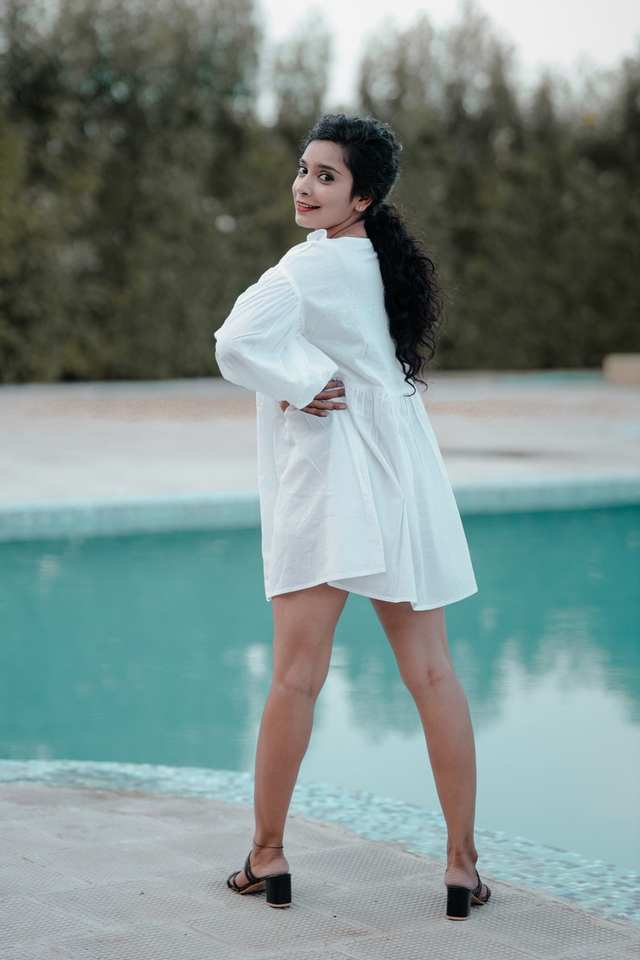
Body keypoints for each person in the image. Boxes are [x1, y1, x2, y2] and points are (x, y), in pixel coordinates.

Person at [213, 113, 491, 919]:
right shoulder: (380, 262)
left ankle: (267, 855)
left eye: (326, 176)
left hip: (332, 486)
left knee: (296, 678)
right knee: (433, 676)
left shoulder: (306, 269)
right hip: (402, 479)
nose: (304, 186)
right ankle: (462, 868)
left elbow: (233, 343)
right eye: (304, 169)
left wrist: (299, 383)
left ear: (361, 196)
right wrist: (305, 377)